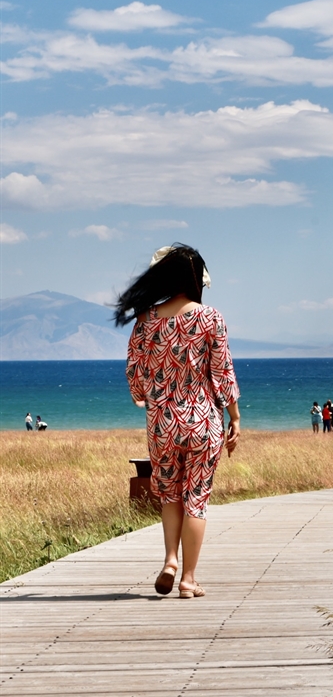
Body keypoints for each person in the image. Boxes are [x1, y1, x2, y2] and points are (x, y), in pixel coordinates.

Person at [115, 244, 240, 600]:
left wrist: (144, 393)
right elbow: (222, 372)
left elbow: (134, 372)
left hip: (162, 424)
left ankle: (169, 560)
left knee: (169, 495)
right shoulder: (210, 318)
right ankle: (188, 578)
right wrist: (235, 416)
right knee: (196, 499)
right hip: (202, 422)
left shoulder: (146, 319)